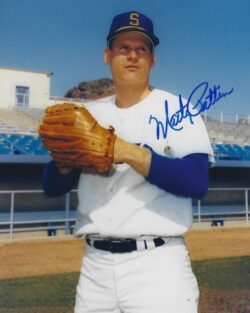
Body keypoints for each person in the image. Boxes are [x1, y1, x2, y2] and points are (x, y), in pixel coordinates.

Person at [42, 11, 214, 313]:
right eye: (123, 47)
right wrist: (64, 162)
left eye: (142, 48)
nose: (132, 55)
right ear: (107, 55)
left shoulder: (178, 109)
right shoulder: (88, 114)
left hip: (157, 266)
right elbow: (52, 186)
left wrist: (128, 152)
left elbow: (197, 181)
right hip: (94, 269)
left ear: (153, 58)